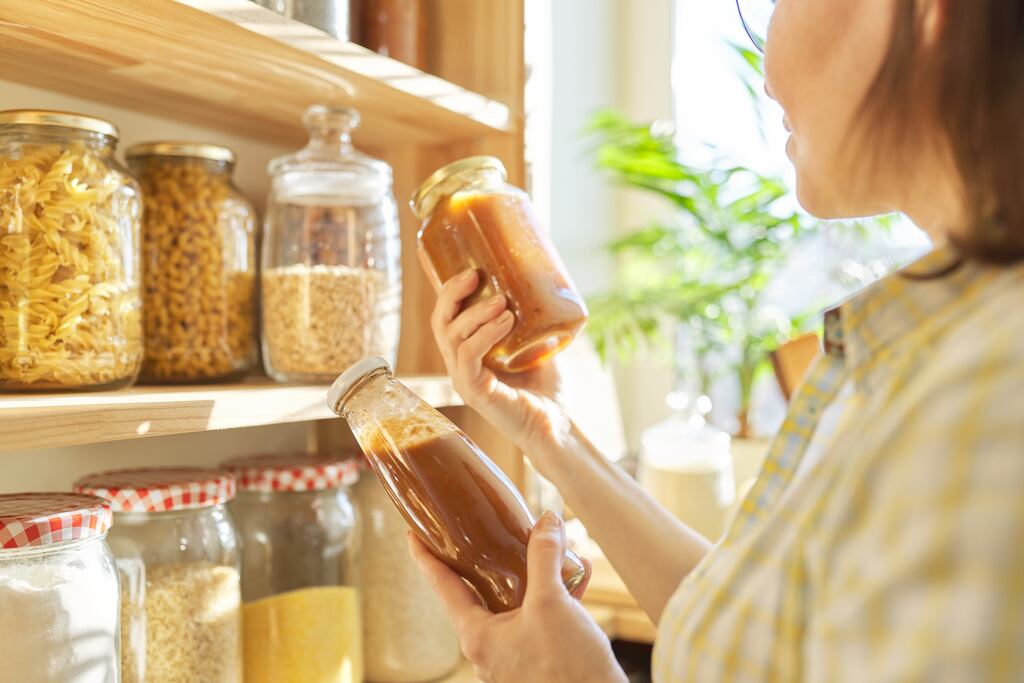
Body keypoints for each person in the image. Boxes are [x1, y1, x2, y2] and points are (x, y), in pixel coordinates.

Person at [408, 1, 1024, 680]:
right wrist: (551, 429)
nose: (763, 67)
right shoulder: (931, 348)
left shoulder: (989, 385)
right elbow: (749, 636)